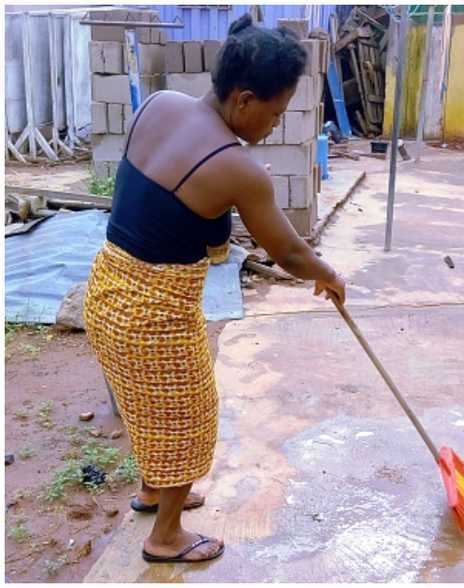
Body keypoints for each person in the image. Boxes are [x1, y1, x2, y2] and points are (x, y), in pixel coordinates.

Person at [84, 14, 345, 564]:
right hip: (153, 312)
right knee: (188, 417)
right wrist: (328, 274)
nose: (275, 125)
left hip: (106, 290)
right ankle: (167, 537)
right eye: (274, 113)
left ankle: (156, 491)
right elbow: (291, 254)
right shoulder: (239, 168)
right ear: (244, 100)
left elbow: (174, 201)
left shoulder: (159, 104)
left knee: (145, 403)